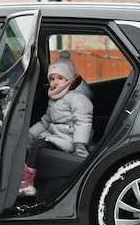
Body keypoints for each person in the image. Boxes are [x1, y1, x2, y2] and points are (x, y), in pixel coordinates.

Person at [19, 50, 93, 197]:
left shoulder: (77, 98)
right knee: (29, 144)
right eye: (52, 79)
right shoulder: (56, 98)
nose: (55, 82)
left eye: (60, 78)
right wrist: (29, 135)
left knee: (36, 146)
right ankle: (32, 181)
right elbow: (46, 121)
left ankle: (27, 183)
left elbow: (83, 122)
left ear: (70, 79)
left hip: (70, 139)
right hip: (58, 136)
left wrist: (80, 146)